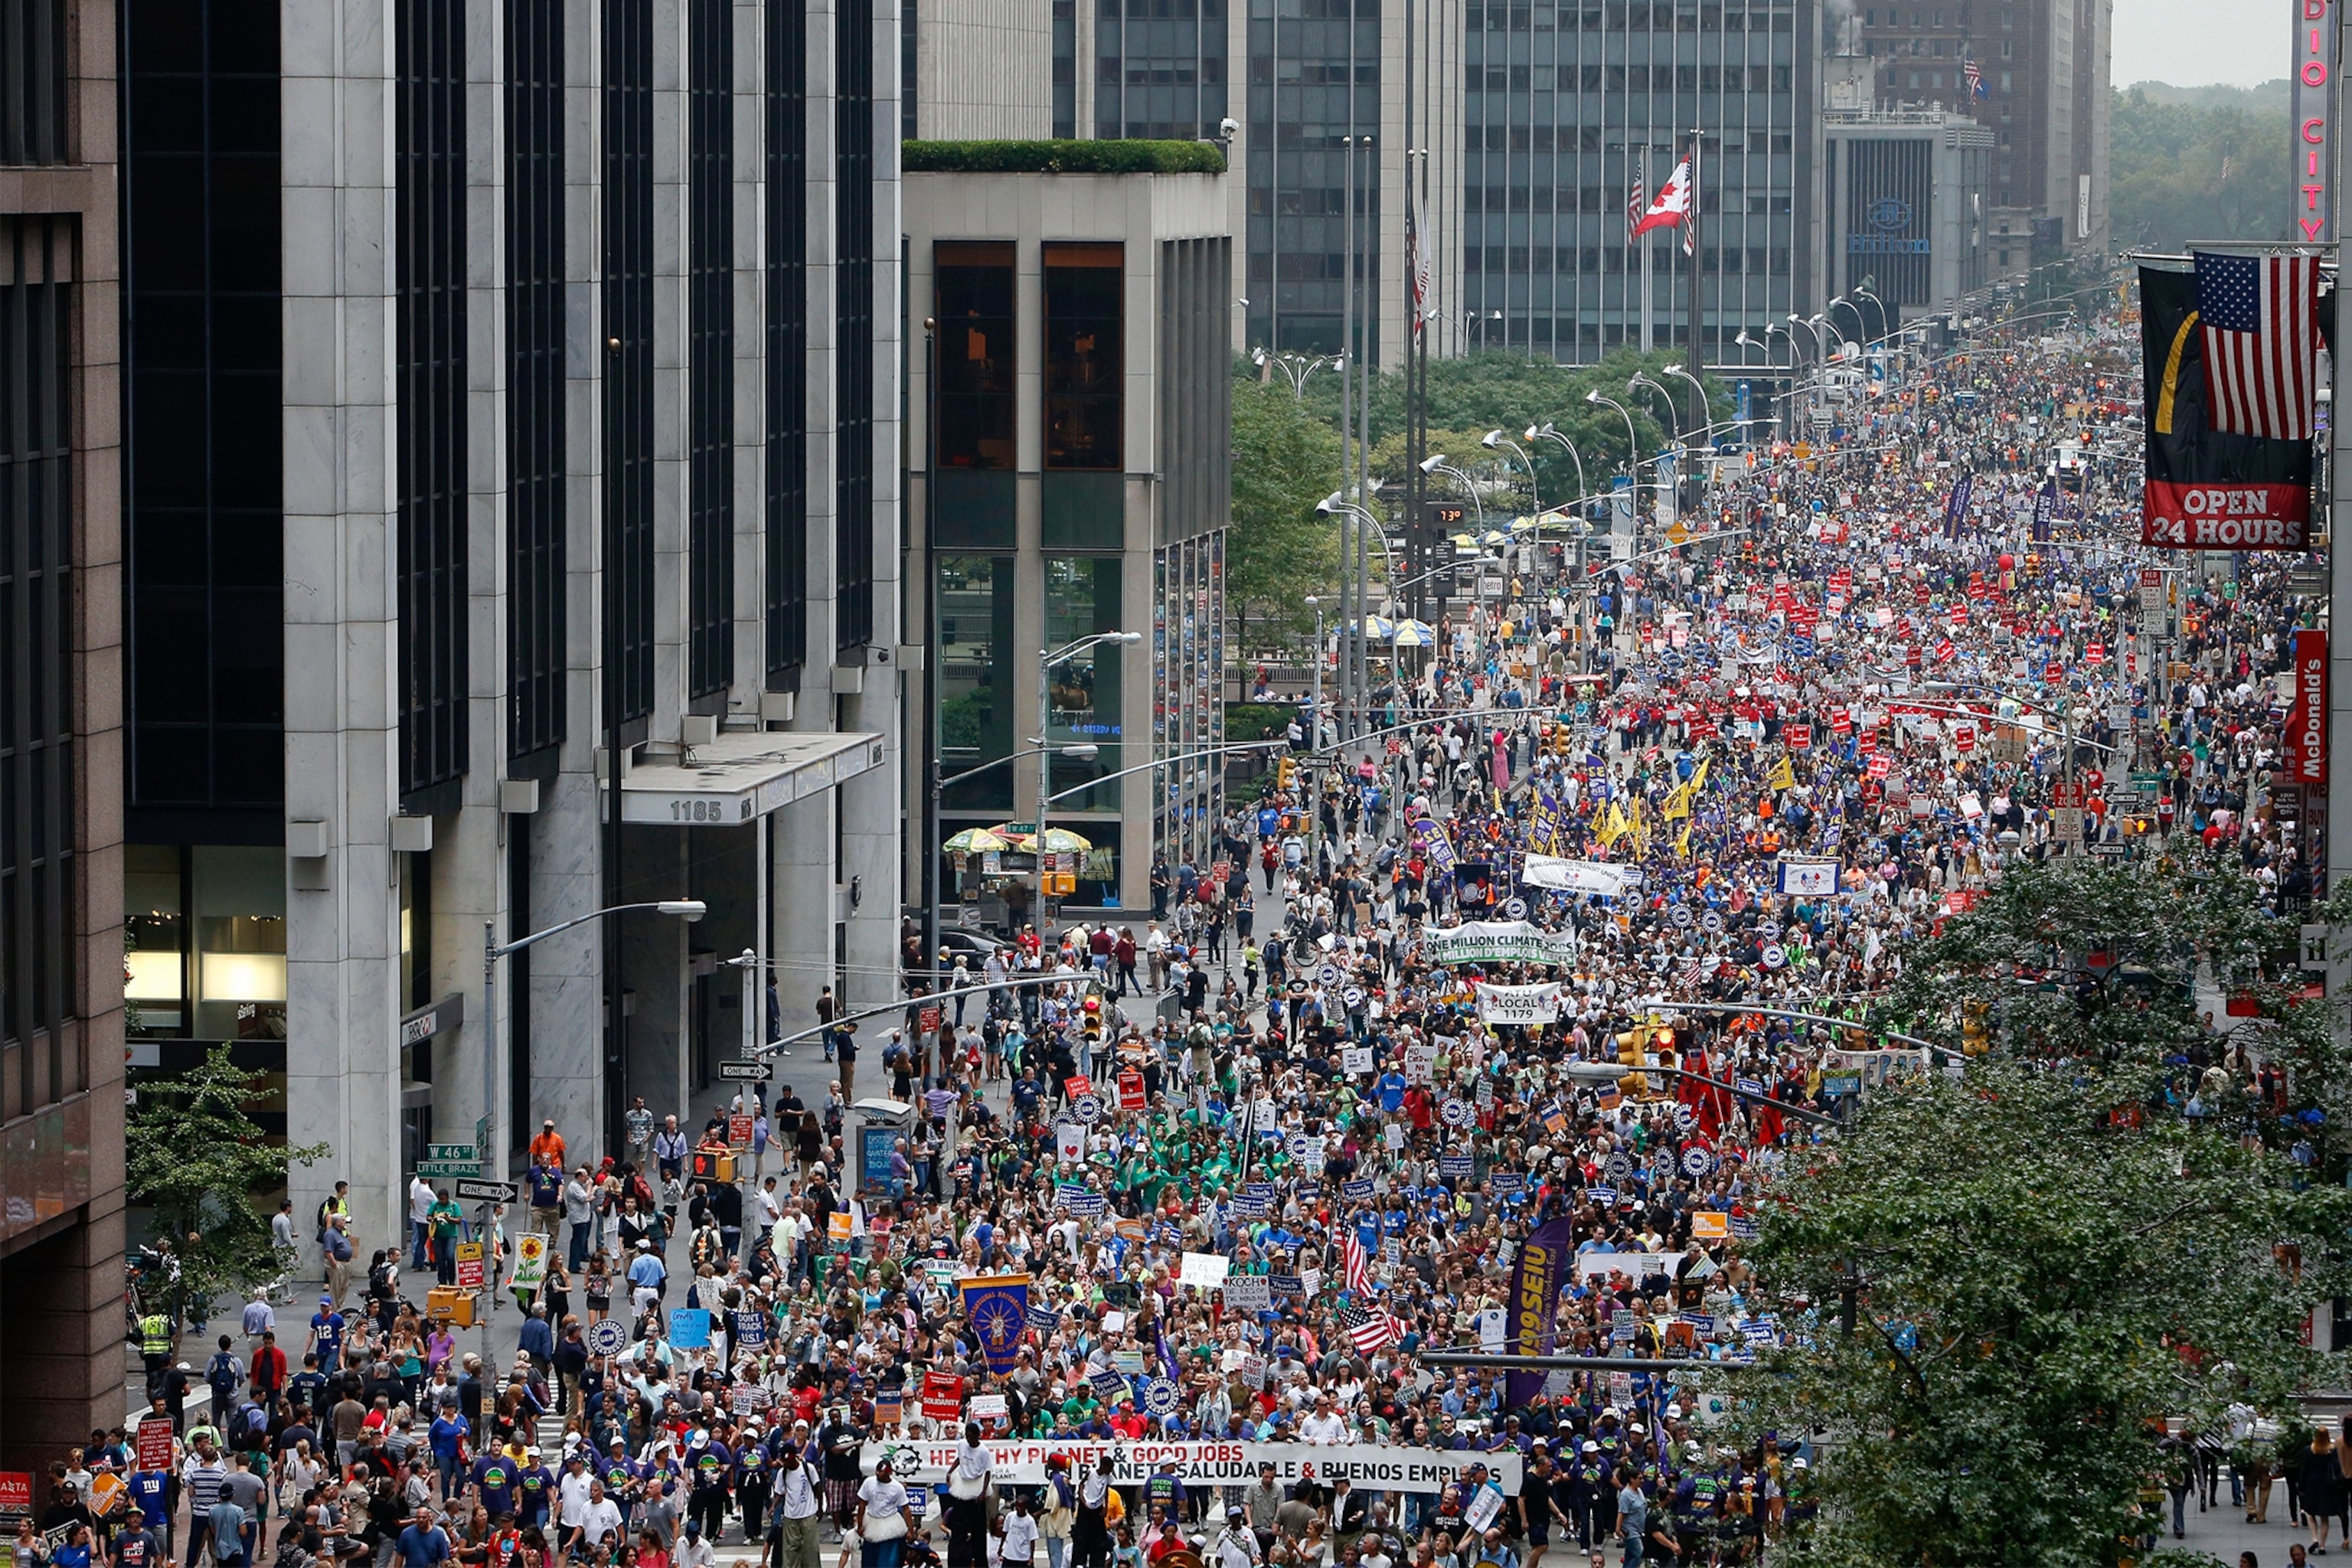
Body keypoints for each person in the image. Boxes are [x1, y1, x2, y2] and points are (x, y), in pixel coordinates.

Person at [852, 1458, 909, 1568]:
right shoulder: (869, 1482)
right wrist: (860, 1525)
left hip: (890, 1522)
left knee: (889, 1559)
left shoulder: (897, 1488)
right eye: (877, 1472)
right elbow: (862, 1504)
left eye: (881, 1473)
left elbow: (906, 1508)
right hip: (872, 1521)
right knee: (869, 1558)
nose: (878, 1474)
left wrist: (910, 1530)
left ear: (889, 1473)